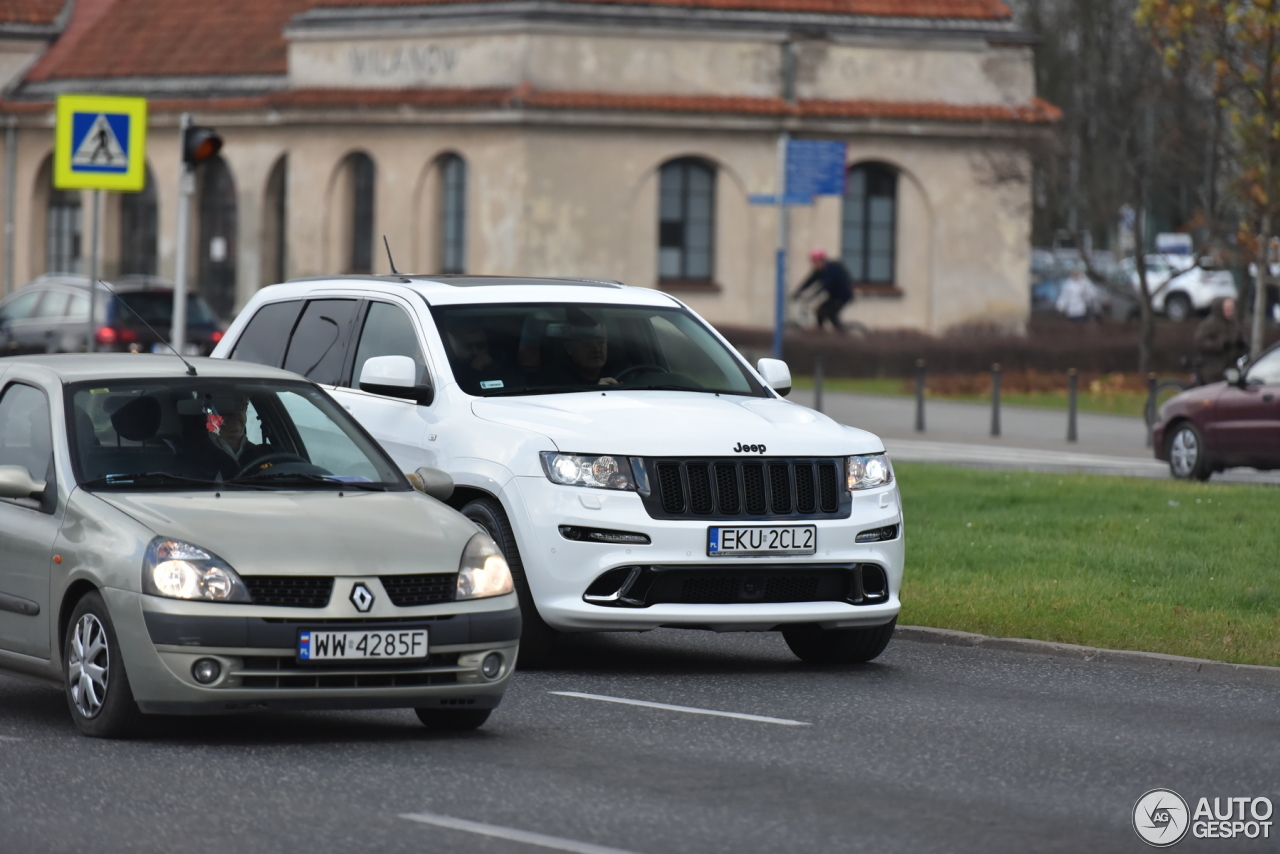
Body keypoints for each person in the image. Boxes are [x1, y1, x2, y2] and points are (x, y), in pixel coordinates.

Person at [544, 308, 618, 385]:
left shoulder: (620, 372)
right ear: (569, 348)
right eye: (587, 343)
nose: (597, 349)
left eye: (601, 343)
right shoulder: (553, 381)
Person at [793, 249, 854, 332]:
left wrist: (811, 297)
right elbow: (809, 281)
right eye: (813, 262)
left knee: (830, 313)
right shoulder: (819, 270)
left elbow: (825, 286)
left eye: (815, 262)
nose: (814, 264)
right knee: (819, 312)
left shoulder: (831, 269)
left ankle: (843, 334)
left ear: (821, 260)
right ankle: (821, 332)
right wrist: (797, 292)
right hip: (833, 296)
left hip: (843, 296)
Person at [1195, 296, 1248, 384]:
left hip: (1232, 367)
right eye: (1227, 308)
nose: (1230, 310)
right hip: (1214, 369)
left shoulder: (1234, 323)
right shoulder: (1210, 324)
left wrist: (1242, 345)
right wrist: (1220, 345)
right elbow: (1201, 342)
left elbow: (1240, 337)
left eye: (1231, 307)